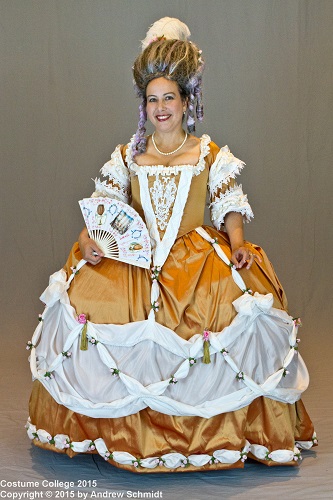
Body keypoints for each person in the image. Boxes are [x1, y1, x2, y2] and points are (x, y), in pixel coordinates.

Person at [27, 17, 317, 473]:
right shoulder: (128, 155)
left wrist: (237, 241)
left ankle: (213, 432)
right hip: (135, 260)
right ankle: (117, 430)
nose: (162, 107)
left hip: (194, 259)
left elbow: (227, 204)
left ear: (187, 101)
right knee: (96, 304)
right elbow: (102, 209)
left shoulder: (207, 154)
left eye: (170, 98)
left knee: (222, 313)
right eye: (153, 99)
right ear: (144, 106)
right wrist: (89, 241)